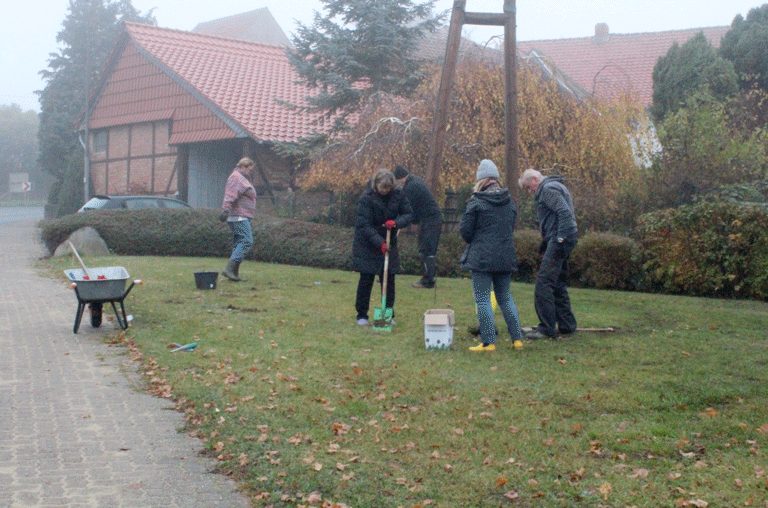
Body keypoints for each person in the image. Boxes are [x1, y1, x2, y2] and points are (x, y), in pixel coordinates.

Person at [459, 159, 524, 351]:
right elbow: (510, 227)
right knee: (505, 297)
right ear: (496, 179)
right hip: (505, 256)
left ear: (481, 180)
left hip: (482, 258)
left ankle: (488, 342)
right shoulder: (510, 202)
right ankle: (517, 339)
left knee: (483, 299)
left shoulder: (476, 202)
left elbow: (465, 231)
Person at [518, 168, 578, 339]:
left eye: (529, 187)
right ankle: (567, 325)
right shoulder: (553, 186)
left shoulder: (548, 189)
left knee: (543, 283)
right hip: (564, 237)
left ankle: (546, 328)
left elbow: (564, 213)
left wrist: (559, 239)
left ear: (536, 179)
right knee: (557, 283)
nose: (530, 192)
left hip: (561, 239)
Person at [352, 168, 414, 326]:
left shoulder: (398, 195)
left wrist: (396, 223)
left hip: (389, 239)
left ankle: (388, 314)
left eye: (388, 188)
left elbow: (408, 214)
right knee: (366, 279)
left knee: (389, 279)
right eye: (382, 188)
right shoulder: (366, 198)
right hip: (368, 242)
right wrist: (379, 242)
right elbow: (364, 225)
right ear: (376, 184)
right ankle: (362, 315)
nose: (385, 191)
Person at [393, 165, 443, 289]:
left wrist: (398, 222)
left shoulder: (411, 187)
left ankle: (428, 281)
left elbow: (407, 209)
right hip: (430, 219)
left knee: (426, 250)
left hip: (431, 220)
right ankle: (428, 278)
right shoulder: (416, 180)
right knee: (426, 249)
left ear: (401, 178)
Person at [219, 157, 257, 282]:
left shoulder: (240, 178)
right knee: (247, 241)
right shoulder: (236, 177)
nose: (250, 172)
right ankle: (229, 269)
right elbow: (230, 194)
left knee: (238, 244)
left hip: (240, 216)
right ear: (243, 167)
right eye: (249, 169)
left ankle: (234, 274)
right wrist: (225, 210)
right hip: (238, 216)